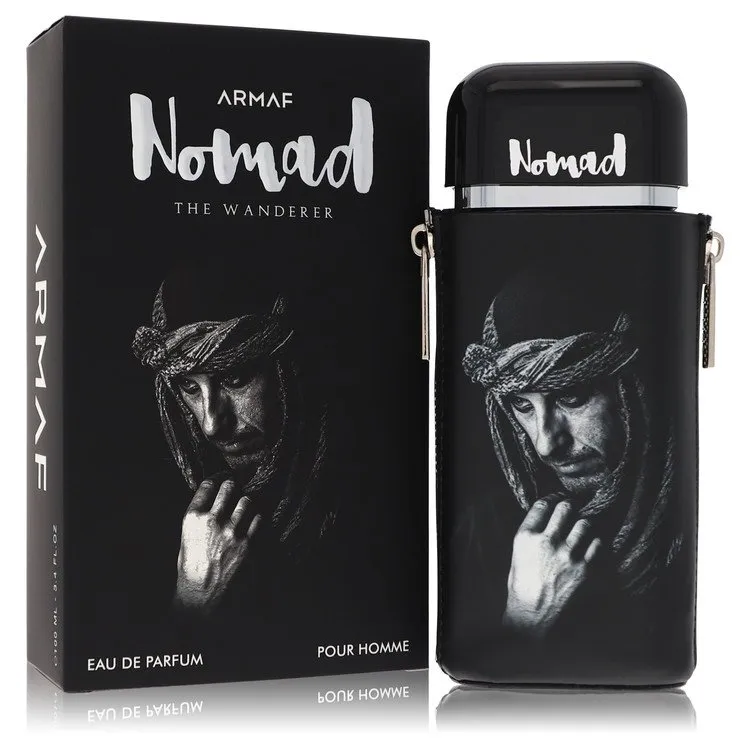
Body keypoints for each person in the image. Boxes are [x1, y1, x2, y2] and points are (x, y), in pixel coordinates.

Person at [461, 262, 684, 649]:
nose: (546, 444)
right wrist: (525, 618)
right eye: (522, 405)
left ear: (635, 390)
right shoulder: (480, 533)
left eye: (572, 397)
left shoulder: (708, 523)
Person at [132, 261, 332, 617]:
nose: (211, 424)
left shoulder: (372, 513)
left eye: (235, 378)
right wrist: (195, 598)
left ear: (289, 370)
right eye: (189, 387)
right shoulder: (148, 518)